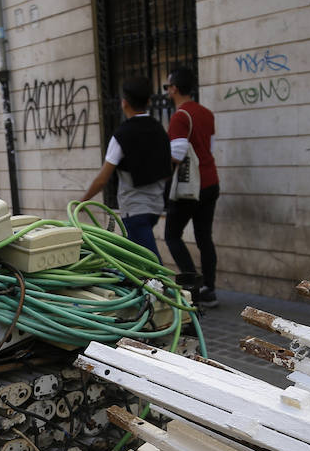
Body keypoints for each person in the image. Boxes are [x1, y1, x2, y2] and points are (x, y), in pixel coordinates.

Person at [79, 75, 169, 261]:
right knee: (133, 260)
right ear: (149, 102)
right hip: (155, 208)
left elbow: (103, 178)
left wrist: (83, 201)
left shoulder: (122, 135)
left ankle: (166, 290)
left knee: (152, 263)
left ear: (124, 103)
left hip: (134, 210)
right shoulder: (159, 129)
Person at [164, 66, 220, 307]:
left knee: (172, 235)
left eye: (168, 86)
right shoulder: (207, 113)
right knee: (204, 237)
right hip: (211, 182)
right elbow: (210, 147)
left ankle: (192, 285)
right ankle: (209, 288)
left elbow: (176, 155)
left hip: (190, 188)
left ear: (175, 88)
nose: (167, 90)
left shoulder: (179, 116)